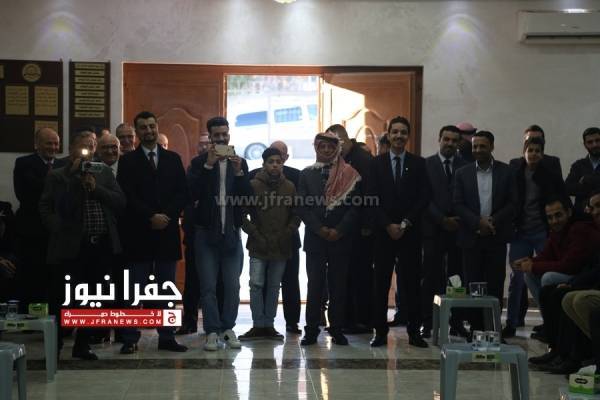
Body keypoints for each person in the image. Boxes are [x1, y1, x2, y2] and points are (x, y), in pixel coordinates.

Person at [39, 131, 125, 360]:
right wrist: (74, 179)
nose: (88, 150)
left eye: (92, 146)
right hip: (69, 248)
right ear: (72, 148)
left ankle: (83, 344)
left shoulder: (103, 171)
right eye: (83, 145)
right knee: (62, 298)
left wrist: (95, 188)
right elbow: (49, 207)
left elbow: (120, 201)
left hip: (99, 246)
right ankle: (56, 345)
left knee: (94, 297)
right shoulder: (59, 175)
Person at [117, 111, 189, 354]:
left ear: (157, 127)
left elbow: (182, 193)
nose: (148, 131)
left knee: (166, 288)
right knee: (134, 290)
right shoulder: (127, 161)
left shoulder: (173, 158)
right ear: (137, 132)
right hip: (139, 233)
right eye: (143, 127)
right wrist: (151, 216)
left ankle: (167, 337)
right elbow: (127, 196)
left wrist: (165, 215)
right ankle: (130, 338)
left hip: (167, 232)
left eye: (151, 126)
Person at [187, 116, 251, 351]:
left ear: (229, 134)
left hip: (231, 232)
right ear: (210, 138)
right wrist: (208, 166)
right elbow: (192, 193)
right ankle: (212, 330)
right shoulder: (199, 163)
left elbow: (247, 197)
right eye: (217, 135)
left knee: (233, 285)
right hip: (205, 232)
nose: (222, 138)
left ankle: (228, 328)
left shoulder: (239, 162)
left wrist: (240, 173)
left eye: (225, 134)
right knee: (208, 286)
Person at [368, 116, 429, 348]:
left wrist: (404, 223)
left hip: (409, 233)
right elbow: (371, 197)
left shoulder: (419, 163)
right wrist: (388, 225)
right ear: (389, 135)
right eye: (395, 132)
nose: (399, 136)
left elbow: (423, 197)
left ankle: (414, 332)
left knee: (411, 284)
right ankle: (380, 332)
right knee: (380, 284)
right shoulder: (376, 164)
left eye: (403, 132)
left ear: (408, 136)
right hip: (383, 234)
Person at [296, 131, 360, 346]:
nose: (326, 150)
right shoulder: (306, 174)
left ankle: (337, 329)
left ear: (337, 149)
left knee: (338, 286)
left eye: (331, 147)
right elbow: (302, 207)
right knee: (314, 286)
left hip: (340, 239)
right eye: (322, 146)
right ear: (316, 148)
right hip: (315, 239)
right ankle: (311, 330)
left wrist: (339, 230)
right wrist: (320, 229)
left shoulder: (350, 174)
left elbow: (355, 207)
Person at [453, 130, 517, 333]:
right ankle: (476, 330)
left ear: (492, 147)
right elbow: (457, 204)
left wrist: (492, 221)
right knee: (473, 285)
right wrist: (477, 222)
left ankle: (493, 330)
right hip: (471, 237)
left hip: (496, 236)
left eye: (483, 146)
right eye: (475, 146)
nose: (478, 150)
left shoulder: (506, 171)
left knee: (495, 284)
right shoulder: (462, 173)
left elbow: (513, 202)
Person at [503, 136, 566, 338]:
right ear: (524, 152)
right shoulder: (515, 173)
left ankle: (550, 322)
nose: (533, 154)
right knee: (516, 279)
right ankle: (511, 323)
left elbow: (561, 198)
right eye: (530, 150)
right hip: (520, 232)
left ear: (542, 154)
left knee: (545, 276)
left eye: (537, 151)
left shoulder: (550, 175)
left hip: (542, 232)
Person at [239, 148, 300, 340]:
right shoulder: (253, 185)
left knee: (274, 286)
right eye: (271, 161)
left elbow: (296, 214)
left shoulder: (289, 187)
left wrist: (287, 232)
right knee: (256, 284)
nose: (275, 165)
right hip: (258, 243)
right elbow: (242, 214)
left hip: (281, 244)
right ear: (264, 164)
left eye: (278, 162)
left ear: (283, 164)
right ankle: (258, 325)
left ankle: (269, 325)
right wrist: (255, 233)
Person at [420, 125, 468, 338]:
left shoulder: (465, 166)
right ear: (439, 140)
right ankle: (427, 322)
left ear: (459, 143)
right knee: (430, 277)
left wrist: (455, 220)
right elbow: (424, 197)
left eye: (454, 140)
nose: (450, 143)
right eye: (446, 139)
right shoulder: (426, 164)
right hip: (433, 229)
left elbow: (467, 197)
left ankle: (456, 322)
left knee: (457, 278)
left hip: (458, 229)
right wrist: (441, 219)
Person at [326, 124, 374, 333]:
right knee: (342, 275)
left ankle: (362, 321)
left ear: (343, 140)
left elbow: (370, 194)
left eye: (335, 143)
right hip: (342, 227)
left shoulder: (363, 159)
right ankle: (343, 320)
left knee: (360, 275)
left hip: (361, 229)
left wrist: (367, 225)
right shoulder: (337, 160)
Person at [13, 127, 65, 312]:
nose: (53, 147)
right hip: (32, 232)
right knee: (32, 277)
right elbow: (26, 194)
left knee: (55, 279)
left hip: (57, 233)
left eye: (56, 143)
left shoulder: (63, 165)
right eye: (48, 143)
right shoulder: (24, 163)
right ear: (37, 144)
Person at [178, 136, 213, 335]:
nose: (205, 146)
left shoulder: (226, 164)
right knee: (192, 279)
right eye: (201, 144)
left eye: (208, 143)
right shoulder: (194, 166)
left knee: (216, 281)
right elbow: (190, 192)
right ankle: (189, 321)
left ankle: (213, 324)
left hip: (216, 232)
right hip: (194, 231)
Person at [565, 127, 600, 217]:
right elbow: (568, 188)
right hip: (582, 217)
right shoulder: (578, 165)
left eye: (597, 140)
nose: (595, 145)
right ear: (585, 145)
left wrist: (587, 180)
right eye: (590, 142)